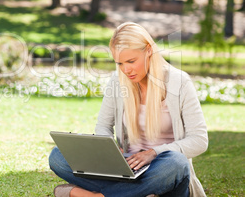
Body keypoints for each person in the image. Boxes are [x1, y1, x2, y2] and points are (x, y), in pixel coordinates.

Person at [49, 22, 208, 197]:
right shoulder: (118, 81)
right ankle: (135, 193)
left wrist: (153, 153)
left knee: (177, 163)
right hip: (126, 168)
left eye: (131, 61)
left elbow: (199, 140)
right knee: (58, 156)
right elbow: (103, 126)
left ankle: (98, 196)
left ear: (148, 50)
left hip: (161, 169)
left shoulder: (179, 82)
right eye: (120, 63)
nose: (126, 70)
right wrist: (110, 150)